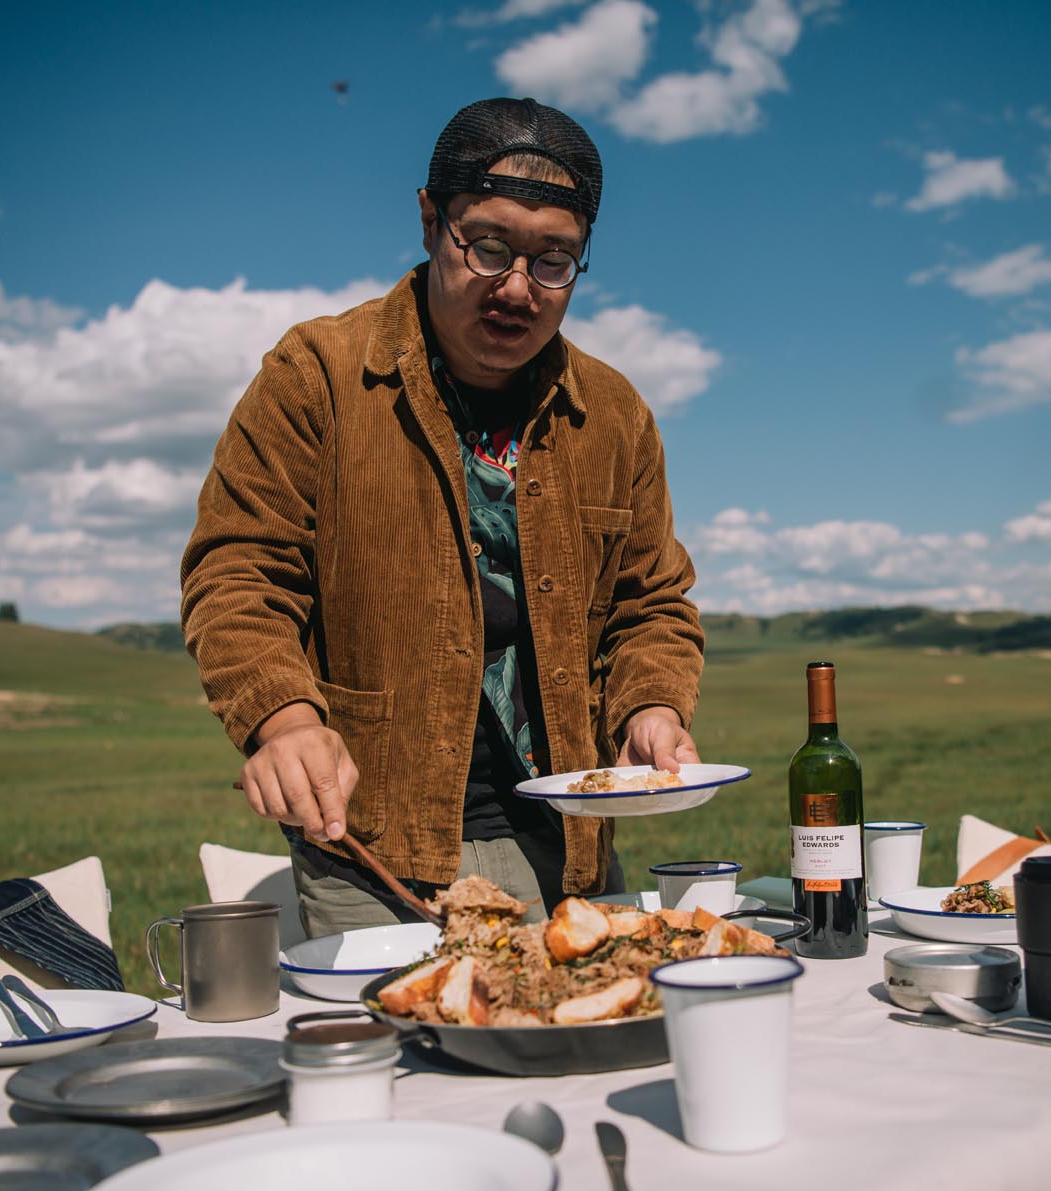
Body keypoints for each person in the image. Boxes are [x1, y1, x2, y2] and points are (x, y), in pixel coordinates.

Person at [181, 97, 705, 936]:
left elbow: (651, 604)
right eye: (488, 245)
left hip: (572, 847)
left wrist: (652, 708)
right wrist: (282, 718)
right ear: (431, 220)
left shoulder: (614, 414)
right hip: (381, 852)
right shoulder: (316, 373)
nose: (516, 288)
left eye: (554, 261)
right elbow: (238, 569)